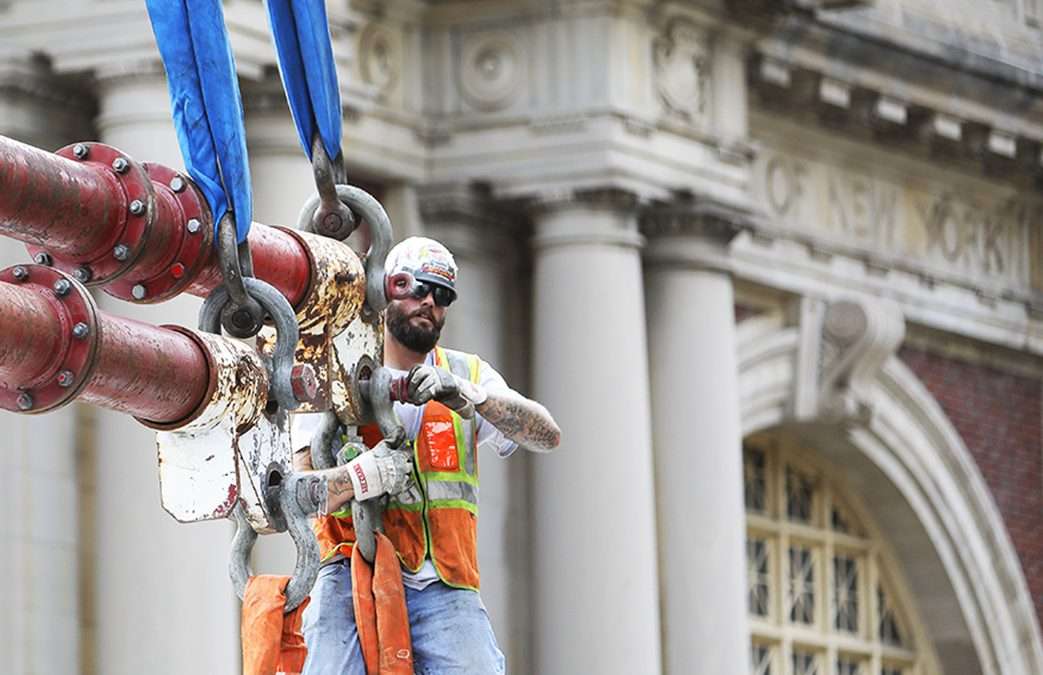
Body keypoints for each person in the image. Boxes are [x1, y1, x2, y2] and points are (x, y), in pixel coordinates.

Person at [290, 236, 561, 675]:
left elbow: (547, 435)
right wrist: (362, 477)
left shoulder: (467, 373)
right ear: (386, 289)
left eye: (442, 295)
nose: (429, 302)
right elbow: (299, 492)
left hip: (444, 585)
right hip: (350, 571)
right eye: (416, 288)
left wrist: (477, 397)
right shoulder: (336, 373)